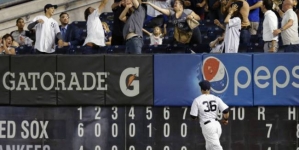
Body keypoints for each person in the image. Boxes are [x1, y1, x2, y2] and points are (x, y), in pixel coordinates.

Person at [190, 80, 229, 150]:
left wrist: (201, 116)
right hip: (217, 125)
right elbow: (226, 111)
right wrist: (225, 120)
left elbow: (193, 116)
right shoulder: (216, 98)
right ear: (210, 89)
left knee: (216, 148)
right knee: (209, 147)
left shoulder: (197, 100)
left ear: (201, 89)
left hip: (208, 126)